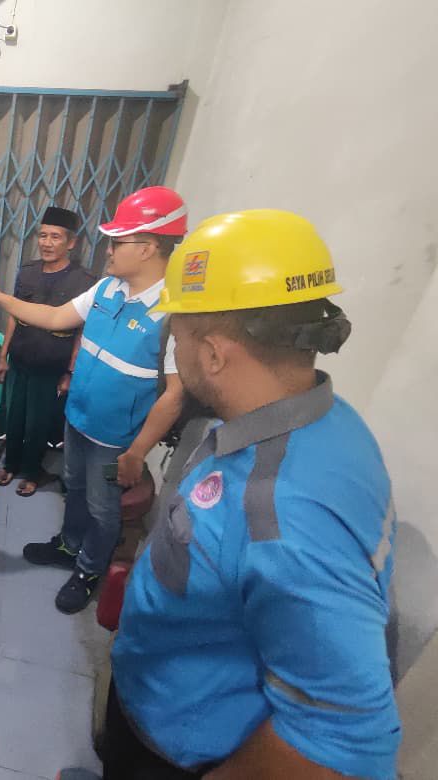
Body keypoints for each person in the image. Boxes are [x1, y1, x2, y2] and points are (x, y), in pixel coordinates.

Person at [104, 209, 399, 779]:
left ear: (214, 354)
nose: (173, 349)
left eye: (177, 335)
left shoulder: (286, 513)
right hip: (156, 693)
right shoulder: (326, 423)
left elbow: (343, 743)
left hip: (180, 749)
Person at [0, 186, 188, 614]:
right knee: (76, 488)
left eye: (118, 242)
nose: (109, 250)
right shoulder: (106, 289)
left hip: (115, 440)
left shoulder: (173, 314)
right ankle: (68, 546)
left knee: (104, 509)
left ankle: (88, 570)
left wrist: (136, 453)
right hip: (78, 419)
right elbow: (54, 317)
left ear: (148, 248)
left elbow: (175, 396)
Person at [0, 206, 94, 497]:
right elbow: (14, 314)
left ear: (71, 243)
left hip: (51, 367)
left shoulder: (84, 282)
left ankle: (31, 471)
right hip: (20, 359)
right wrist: (3, 355)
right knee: (14, 417)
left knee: (38, 423)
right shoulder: (27, 272)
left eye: (55, 237)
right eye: (42, 236)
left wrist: (70, 372)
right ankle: (10, 463)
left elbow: (82, 332)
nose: (47, 243)